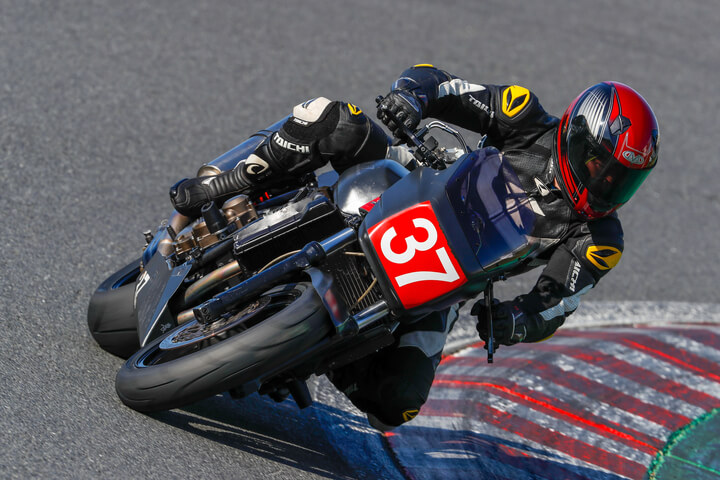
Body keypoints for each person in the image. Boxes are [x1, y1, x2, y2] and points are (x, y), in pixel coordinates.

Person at [169, 64, 659, 431]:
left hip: (452, 279)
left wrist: (517, 320)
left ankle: (308, 351)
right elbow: (442, 85)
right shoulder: (525, 117)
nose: (606, 184)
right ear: (576, 135)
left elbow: (556, 304)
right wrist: (410, 98)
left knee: (396, 404)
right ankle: (224, 184)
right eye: (600, 166)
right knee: (334, 119)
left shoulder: (599, 239)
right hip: (416, 181)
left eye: (622, 180)